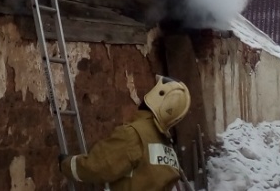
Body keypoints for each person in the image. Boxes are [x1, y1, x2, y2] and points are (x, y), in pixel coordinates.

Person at [59, 75, 189, 190]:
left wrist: (66, 164)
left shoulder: (133, 134)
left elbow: (98, 166)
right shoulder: (167, 144)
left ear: (158, 97)